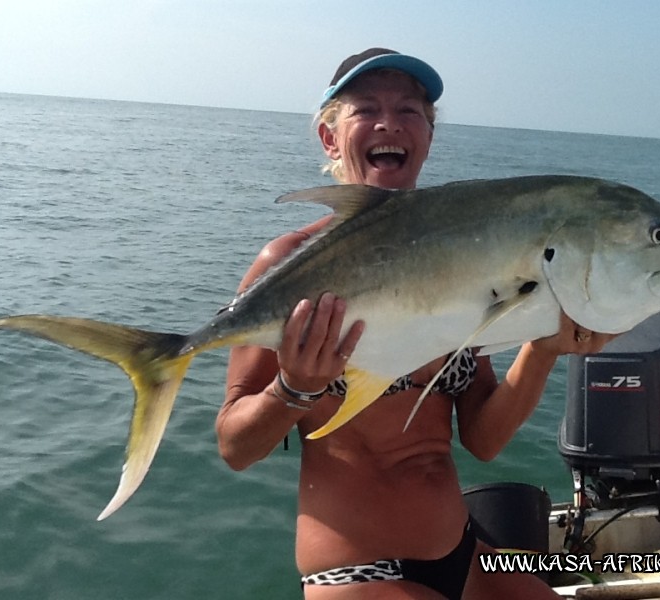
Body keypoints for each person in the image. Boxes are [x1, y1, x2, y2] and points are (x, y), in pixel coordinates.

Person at [216, 48, 613, 599]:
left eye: (410, 110)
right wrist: (292, 389)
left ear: (427, 136)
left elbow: (482, 438)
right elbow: (234, 446)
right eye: (366, 109)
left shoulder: (460, 260)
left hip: (467, 556)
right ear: (330, 138)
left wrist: (543, 349)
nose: (389, 123)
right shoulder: (288, 263)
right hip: (360, 573)